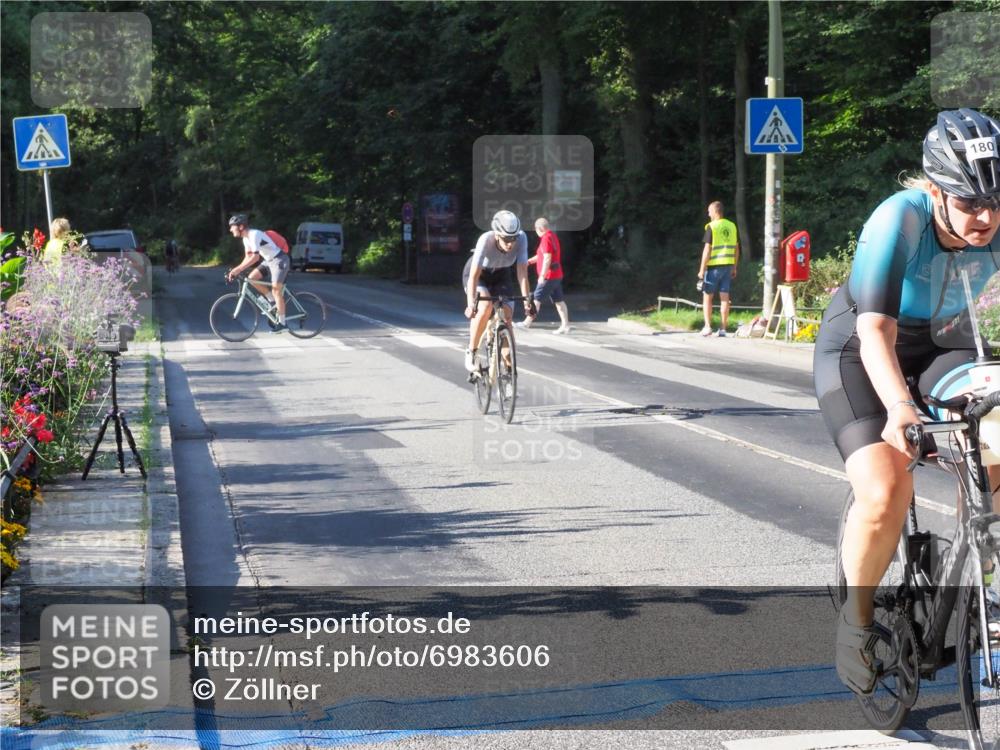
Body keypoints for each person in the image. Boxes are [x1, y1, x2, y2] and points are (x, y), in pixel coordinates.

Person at [814, 109, 1000, 696]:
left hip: (948, 343)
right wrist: (900, 408)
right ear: (936, 191)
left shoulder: (995, 216)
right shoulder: (898, 220)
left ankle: (983, 566)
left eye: (996, 201)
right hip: (861, 349)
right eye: (970, 204)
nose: (987, 217)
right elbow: (875, 333)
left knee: (997, 442)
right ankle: (856, 623)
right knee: (887, 487)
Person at [463, 210, 534, 372]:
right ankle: (472, 351)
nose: (511, 243)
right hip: (480, 274)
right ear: (496, 235)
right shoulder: (485, 240)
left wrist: (527, 301)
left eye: (514, 238)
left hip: (502, 273)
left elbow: (522, 272)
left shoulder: (521, 238)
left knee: (507, 316)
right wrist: (471, 305)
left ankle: (510, 373)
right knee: (484, 308)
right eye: (507, 239)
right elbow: (473, 277)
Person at [226, 214, 291, 332]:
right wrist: (236, 269)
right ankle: (272, 302)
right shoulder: (245, 239)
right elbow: (248, 257)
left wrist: (239, 270)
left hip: (279, 259)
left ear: (241, 226)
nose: (230, 229)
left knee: (276, 289)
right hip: (269, 261)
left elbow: (255, 258)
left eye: (232, 226)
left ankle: (282, 323)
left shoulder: (254, 234)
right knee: (252, 278)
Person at [517, 217, 570, 334]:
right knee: (559, 301)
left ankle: (527, 322)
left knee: (536, 299)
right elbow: (542, 256)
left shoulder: (546, 239)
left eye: (536, 229)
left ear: (539, 228)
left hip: (549, 276)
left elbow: (547, 258)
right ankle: (565, 326)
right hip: (557, 275)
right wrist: (529, 261)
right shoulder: (552, 236)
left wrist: (542, 275)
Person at [697, 201, 739, 336]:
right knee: (724, 297)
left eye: (709, 211)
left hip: (714, 266)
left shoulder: (712, 227)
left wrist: (702, 269)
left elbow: (707, 249)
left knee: (707, 296)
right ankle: (723, 328)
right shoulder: (732, 226)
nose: (708, 214)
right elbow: (736, 248)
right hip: (727, 266)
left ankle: (707, 326)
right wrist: (734, 266)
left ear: (715, 211)